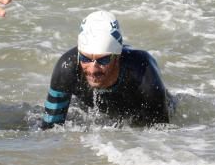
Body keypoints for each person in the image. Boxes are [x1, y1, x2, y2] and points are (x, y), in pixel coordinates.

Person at [41, 10, 171, 129]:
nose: (92, 70)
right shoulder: (67, 67)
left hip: (142, 110)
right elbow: (49, 129)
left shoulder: (143, 72)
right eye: (86, 59)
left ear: (117, 57)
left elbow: (160, 136)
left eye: (103, 60)